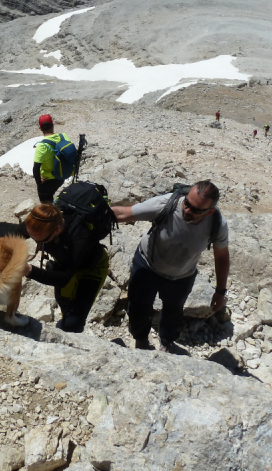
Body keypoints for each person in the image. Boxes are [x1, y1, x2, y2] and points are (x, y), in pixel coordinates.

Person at [111, 181, 229, 354]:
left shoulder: (217, 224)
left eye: (195, 210)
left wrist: (220, 291)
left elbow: (221, 257)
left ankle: (167, 342)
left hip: (182, 276)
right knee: (138, 306)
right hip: (147, 265)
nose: (187, 210)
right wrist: (88, 211)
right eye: (187, 203)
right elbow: (124, 214)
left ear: (209, 211)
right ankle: (140, 339)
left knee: (173, 312)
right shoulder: (167, 204)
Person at [23, 204, 109, 333]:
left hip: (92, 268)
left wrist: (29, 270)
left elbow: (64, 278)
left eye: (39, 239)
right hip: (65, 265)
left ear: (57, 231)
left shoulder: (79, 235)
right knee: (64, 303)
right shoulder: (39, 224)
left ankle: (68, 331)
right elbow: (11, 235)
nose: (35, 241)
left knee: (74, 323)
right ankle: (64, 326)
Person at [32, 114, 73, 204]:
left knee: (46, 204)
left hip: (48, 180)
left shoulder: (42, 146)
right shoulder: (64, 137)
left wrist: (39, 183)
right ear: (53, 125)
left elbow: (35, 168)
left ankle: (52, 215)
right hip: (62, 175)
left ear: (40, 128)